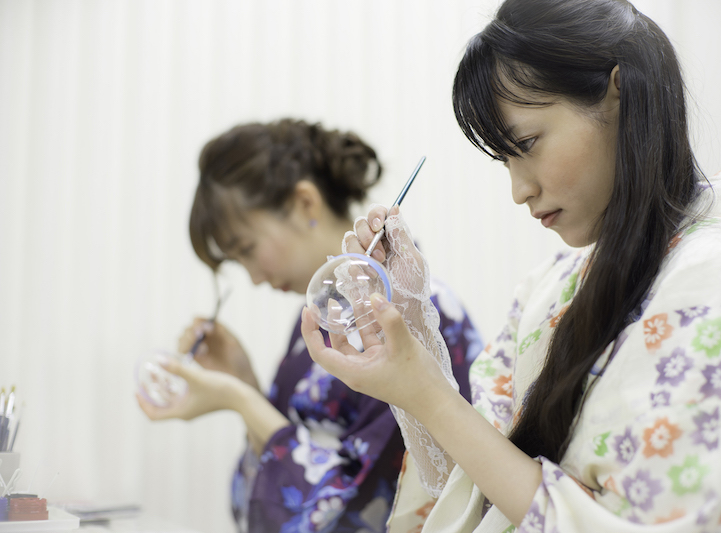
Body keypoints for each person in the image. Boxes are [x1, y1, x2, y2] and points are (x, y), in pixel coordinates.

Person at [299, 0, 721, 531]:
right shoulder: (546, 290)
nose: (520, 190)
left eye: (529, 144)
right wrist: (413, 332)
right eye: (506, 160)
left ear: (620, 90)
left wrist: (425, 390)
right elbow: (475, 494)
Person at [136, 119, 484, 532]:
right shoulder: (323, 319)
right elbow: (270, 484)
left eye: (247, 249)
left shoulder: (417, 317)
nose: (253, 278)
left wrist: (240, 400)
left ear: (305, 203)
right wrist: (245, 385)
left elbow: (371, 500)